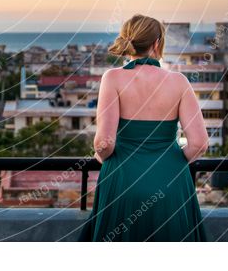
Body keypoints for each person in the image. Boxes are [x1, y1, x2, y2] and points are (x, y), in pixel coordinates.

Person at [78, 14, 209, 241]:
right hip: (171, 184)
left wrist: (103, 158)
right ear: (157, 44)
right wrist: (171, 161)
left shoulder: (113, 78)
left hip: (122, 183)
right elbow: (199, 144)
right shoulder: (179, 82)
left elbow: (103, 144)